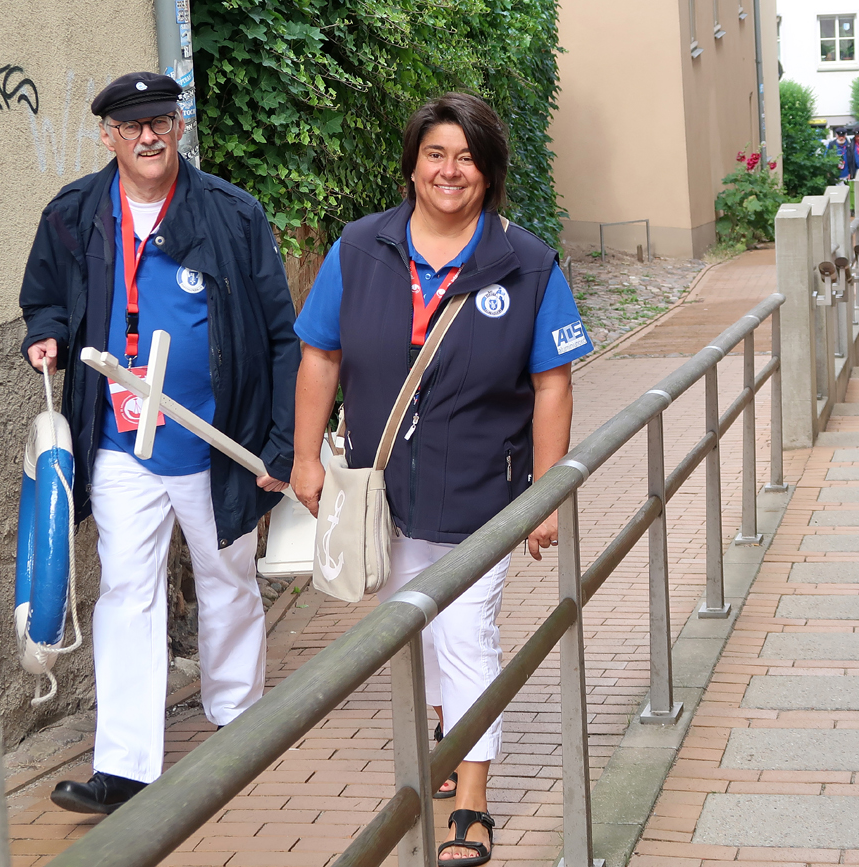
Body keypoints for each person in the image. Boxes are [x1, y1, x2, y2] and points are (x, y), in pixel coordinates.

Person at [291, 92, 593, 866]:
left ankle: (471, 803)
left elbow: (552, 382)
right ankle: (447, 721)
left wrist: (547, 493)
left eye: (466, 157)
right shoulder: (359, 250)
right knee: (408, 630)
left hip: (482, 493)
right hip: (381, 491)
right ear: (411, 167)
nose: (449, 170)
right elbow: (320, 355)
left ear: (488, 174)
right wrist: (302, 457)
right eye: (435, 154)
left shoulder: (526, 263)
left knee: (467, 636)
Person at [19, 72, 300, 813]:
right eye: (131, 124)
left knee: (228, 580)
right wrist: (44, 335)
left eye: (161, 120)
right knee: (126, 592)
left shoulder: (232, 215)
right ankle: (124, 763)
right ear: (108, 135)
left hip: (217, 441)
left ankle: (238, 722)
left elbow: (281, 335)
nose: (148, 135)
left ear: (178, 128)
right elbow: (44, 295)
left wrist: (281, 445)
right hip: (119, 445)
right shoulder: (76, 213)